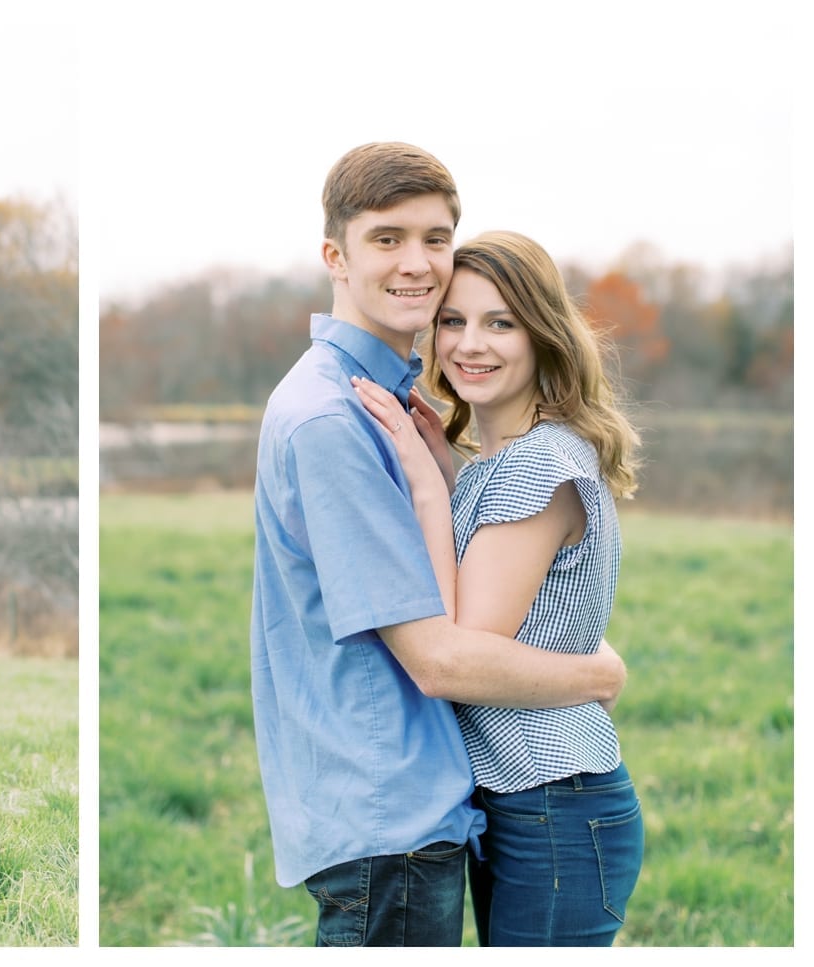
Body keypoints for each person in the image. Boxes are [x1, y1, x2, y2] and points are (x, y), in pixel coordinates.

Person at [249, 142, 628, 947]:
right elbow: (441, 656)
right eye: (387, 238)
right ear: (336, 255)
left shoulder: (391, 409)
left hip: (453, 805)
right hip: (391, 812)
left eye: (435, 238)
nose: (417, 263)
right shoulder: (335, 416)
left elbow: (486, 598)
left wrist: (438, 478)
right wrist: (595, 669)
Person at [353, 230, 643, 945]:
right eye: (452, 321)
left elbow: (462, 648)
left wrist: (425, 485)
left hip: (553, 803)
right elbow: (521, 596)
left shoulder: (535, 464)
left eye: (500, 322)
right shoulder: (510, 457)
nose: (469, 343)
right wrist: (448, 469)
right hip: (537, 802)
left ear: (542, 333)